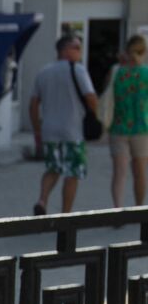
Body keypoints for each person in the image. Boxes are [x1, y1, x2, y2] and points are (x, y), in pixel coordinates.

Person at [30, 33, 99, 215]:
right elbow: (91, 97)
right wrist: (94, 113)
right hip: (73, 131)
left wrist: (37, 131)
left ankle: (42, 200)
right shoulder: (78, 70)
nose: (79, 52)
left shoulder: (44, 71)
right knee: (72, 173)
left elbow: (33, 104)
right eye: (76, 47)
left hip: (50, 131)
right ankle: (65, 215)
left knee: (53, 168)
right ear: (65, 50)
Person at [108, 34, 148, 208]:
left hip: (118, 127)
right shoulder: (146, 73)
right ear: (144, 51)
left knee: (119, 173)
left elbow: (106, 94)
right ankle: (139, 208)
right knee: (140, 172)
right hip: (142, 128)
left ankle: (117, 210)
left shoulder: (117, 71)